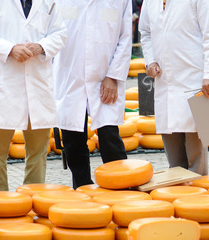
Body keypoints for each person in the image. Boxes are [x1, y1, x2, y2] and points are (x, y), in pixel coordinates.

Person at [0, 0, 67, 191]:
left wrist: (41, 46)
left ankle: (34, 198)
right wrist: (9, 49)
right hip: (3, 83)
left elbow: (60, 33)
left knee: (38, 152)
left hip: (37, 84)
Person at [53, 0, 132, 189]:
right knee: (72, 139)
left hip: (104, 77)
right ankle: (81, 189)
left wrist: (113, 76)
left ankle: (121, 189)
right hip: (69, 77)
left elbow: (126, 38)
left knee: (109, 137)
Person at [139, 0, 209, 175]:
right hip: (165, 80)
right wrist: (150, 59)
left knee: (196, 140)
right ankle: (177, 186)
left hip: (196, 76)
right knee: (171, 138)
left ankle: (198, 190)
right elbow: (145, 32)